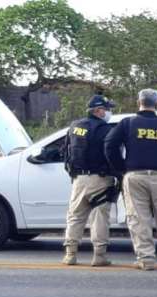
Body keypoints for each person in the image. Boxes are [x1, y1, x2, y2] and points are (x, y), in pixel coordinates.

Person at [104, 89, 157, 271]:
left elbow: (110, 145)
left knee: (138, 218)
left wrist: (121, 167)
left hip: (135, 176)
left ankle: (146, 259)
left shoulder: (127, 123)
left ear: (139, 103)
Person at [62, 95, 116, 267]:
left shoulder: (75, 126)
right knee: (99, 218)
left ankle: (70, 255)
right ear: (98, 111)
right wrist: (118, 174)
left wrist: (72, 172)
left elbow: (65, 151)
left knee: (75, 216)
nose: (109, 112)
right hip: (100, 179)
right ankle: (99, 256)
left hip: (78, 179)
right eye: (107, 109)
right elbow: (111, 154)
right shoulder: (105, 129)